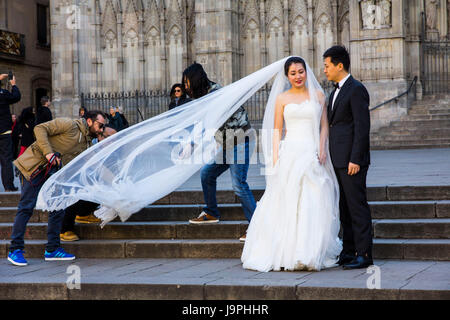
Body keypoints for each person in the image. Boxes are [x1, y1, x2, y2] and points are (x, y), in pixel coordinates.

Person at [241, 57, 342, 272]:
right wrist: (275, 159)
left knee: (312, 200)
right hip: (291, 152)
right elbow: (277, 131)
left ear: (307, 72)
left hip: (312, 152)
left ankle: (308, 250)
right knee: (286, 201)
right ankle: (286, 250)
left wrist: (322, 148)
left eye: (301, 71)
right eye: (293, 73)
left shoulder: (318, 96)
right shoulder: (281, 99)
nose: (298, 76)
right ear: (287, 76)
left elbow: (325, 126)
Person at [7, 110, 106, 266]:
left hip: (54, 175)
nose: (102, 129)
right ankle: (15, 250)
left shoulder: (87, 142)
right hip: (35, 168)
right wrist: (48, 154)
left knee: (58, 208)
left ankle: (52, 249)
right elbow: (39, 129)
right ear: (89, 121)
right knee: (26, 207)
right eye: (100, 125)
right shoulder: (69, 125)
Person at [184, 63, 256, 242]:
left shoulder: (215, 93)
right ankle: (211, 212)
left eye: (186, 82)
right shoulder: (204, 96)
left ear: (194, 80)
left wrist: (191, 144)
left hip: (240, 141)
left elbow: (206, 122)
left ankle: (256, 227)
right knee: (207, 173)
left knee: (239, 184)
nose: (185, 87)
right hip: (227, 144)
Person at [323, 45, 373, 270]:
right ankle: (349, 251)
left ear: (339, 65)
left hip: (352, 161)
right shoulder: (335, 92)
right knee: (344, 208)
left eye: (327, 65)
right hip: (338, 161)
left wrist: (356, 159)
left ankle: (364, 253)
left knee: (357, 206)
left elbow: (362, 128)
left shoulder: (356, 89)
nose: (324, 70)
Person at [60, 125, 117, 242]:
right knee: (75, 196)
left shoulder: (113, 150)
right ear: (101, 137)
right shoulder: (90, 147)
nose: (114, 140)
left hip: (92, 184)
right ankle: (65, 230)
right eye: (111, 137)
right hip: (75, 183)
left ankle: (83, 214)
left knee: (98, 190)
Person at [0, 73, 20, 192]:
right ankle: (8, 186)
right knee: (6, 159)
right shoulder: (4, 94)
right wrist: (14, 85)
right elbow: (16, 97)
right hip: (4, 132)